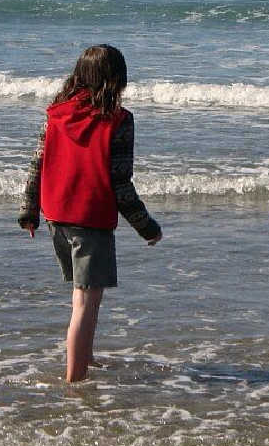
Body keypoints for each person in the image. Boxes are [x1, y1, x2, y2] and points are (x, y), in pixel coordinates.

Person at [18, 45, 162, 383]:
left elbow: (37, 163)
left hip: (56, 215)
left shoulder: (56, 112)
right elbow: (120, 184)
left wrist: (29, 210)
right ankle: (75, 380)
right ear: (115, 80)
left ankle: (87, 357)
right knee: (85, 302)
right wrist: (147, 227)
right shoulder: (119, 121)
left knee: (82, 294)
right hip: (91, 220)